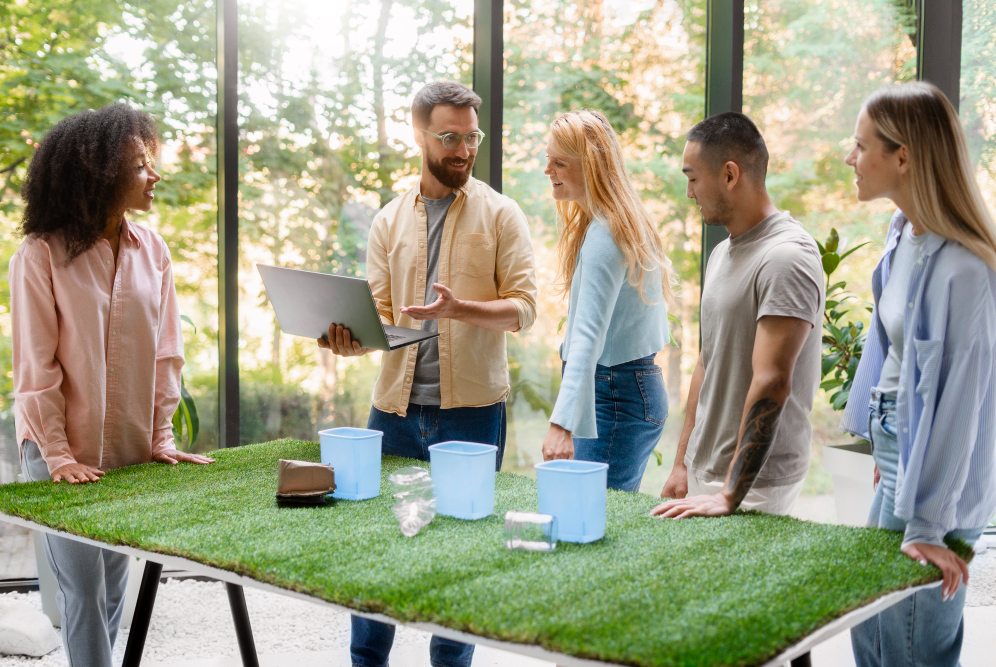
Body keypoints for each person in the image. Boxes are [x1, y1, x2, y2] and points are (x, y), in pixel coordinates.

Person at [319, 81, 537, 667]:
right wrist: (350, 341)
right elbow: (385, 320)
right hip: (392, 411)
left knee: (462, 555)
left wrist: (459, 309)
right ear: (419, 135)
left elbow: (525, 308)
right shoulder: (388, 220)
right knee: (377, 549)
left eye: (472, 137)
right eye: (449, 137)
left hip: (472, 412)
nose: (464, 149)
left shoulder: (502, 213)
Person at [10, 103, 214, 667]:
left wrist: (160, 436)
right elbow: (36, 366)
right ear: (99, 172)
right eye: (142, 165)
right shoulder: (40, 254)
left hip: (128, 450)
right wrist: (56, 455)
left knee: (116, 590)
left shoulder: (156, 251)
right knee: (83, 591)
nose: (156, 176)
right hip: (60, 454)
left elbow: (166, 352)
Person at [838, 82, 996, 667]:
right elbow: (891, 359)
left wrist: (929, 521)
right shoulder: (902, 236)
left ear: (902, 157)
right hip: (897, 447)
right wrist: (882, 451)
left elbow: (960, 406)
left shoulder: (966, 270)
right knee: (869, 629)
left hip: (935, 470)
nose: (849, 158)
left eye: (860, 146)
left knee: (909, 645)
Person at [650, 112, 824, 519]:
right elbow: (707, 361)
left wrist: (730, 494)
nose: (689, 193)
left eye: (693, 178)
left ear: (730, 175)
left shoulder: (785, 258)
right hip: (705, 472)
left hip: (756, 485)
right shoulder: (722, 252)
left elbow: (773, 382)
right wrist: (683, 462)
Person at [539, 109, 673, 492]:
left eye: (559, 162)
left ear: (592, 167)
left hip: (616, 395)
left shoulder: (606, 234)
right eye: (548, 158)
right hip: (625, 389)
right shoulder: (617, 223)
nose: (548, 169)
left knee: (594, 515)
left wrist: (560, 424)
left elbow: (586, 338)